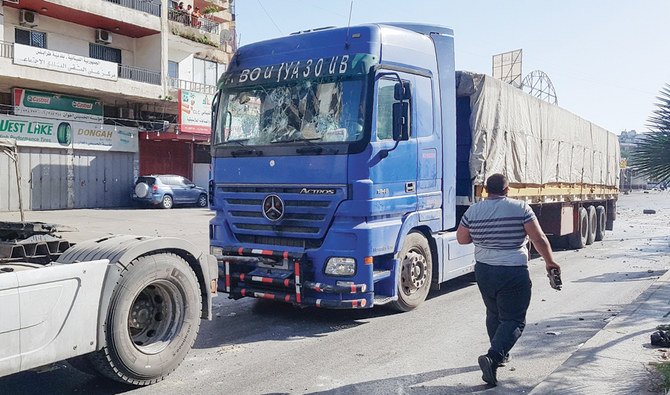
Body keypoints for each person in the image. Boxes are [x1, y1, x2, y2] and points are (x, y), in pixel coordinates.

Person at [456, 173, 561, 386]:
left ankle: (500, 354)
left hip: (484, 271)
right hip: (512, 270)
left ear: (486, 190)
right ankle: (493, 357)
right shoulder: (520, 208)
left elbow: (462, 238)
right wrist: (550, 262)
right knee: (514, 319)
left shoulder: (473, 210)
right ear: (507, 190)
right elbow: (538, 238)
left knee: (493, 312)